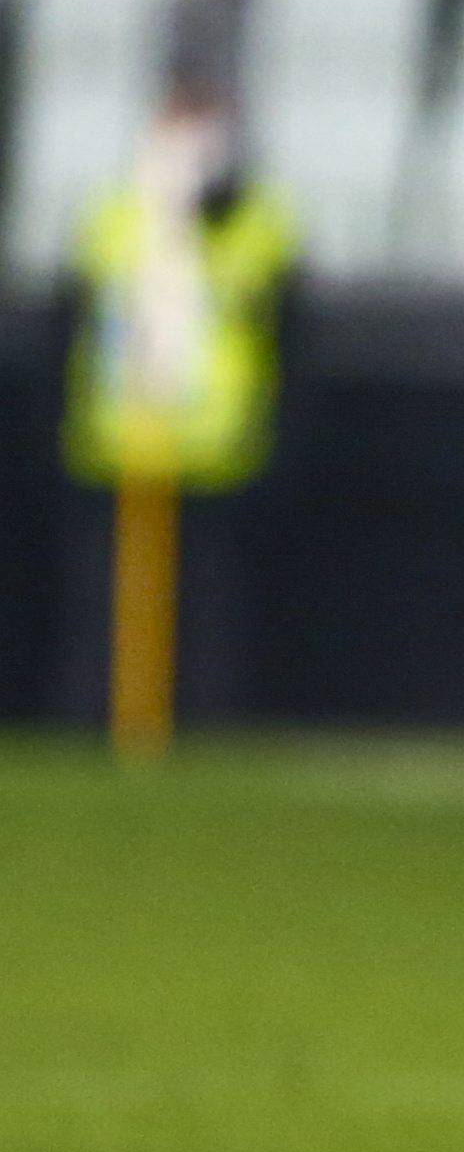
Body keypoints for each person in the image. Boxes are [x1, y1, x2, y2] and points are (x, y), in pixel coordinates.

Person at [60, 76, 299, 729]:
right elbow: (72, 319)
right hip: (122, 442)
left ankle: (206, 728)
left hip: (216, 447)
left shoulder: (256, 220)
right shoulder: (114, 215)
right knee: (108, 603)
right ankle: (98, 729)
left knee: (207, 606)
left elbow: (287, 324)